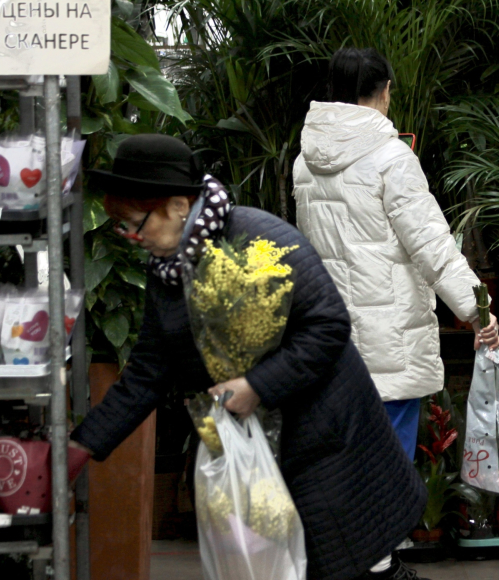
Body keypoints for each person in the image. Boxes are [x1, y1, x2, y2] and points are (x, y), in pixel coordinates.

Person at [69, 134, 427, 580]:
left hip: (328, 439)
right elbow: (148, 368)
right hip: (260, 451)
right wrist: (84, 444)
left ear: (179, 206)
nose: (131, 238)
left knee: (355, 562)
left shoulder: (260, 237)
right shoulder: (167, 272)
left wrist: (257, 385)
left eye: (136, 223)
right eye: (122, 226)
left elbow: (328, 325)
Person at [293, 47, 499, 580]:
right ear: (383, 90)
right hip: (389, 337)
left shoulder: (305, 159)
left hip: (332, 337)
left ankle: (352, 562)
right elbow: (432, 244)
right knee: (387, 457)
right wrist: (476, 309)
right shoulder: (391, 158)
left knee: (343, 459)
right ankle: (379, 567)